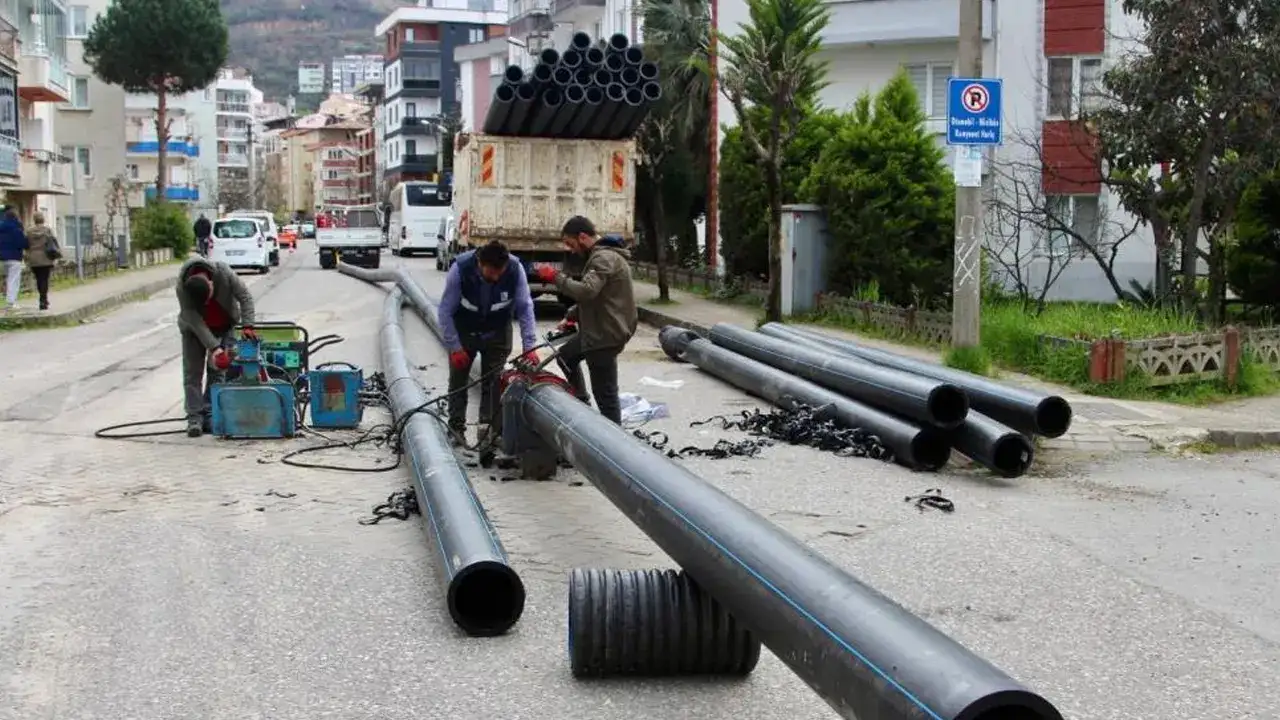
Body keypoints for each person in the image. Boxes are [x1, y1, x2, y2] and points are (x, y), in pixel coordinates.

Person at [532, 216, 637, 425]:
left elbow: (587, 291)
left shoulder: (603, 258)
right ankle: (582, 403)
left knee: (606, 396)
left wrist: (555, 277)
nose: (571, 250)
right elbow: (598, 298)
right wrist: (572, 316)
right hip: (598, 330)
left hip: (605, 335)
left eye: (571, 244)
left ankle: (614, 442)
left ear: (582, 237)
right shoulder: (601, 256)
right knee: (565, 356)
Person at [437, 240, 539, 445]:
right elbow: (445, 311)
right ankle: (456, 428)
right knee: (458, 381)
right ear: (479, 263)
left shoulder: (514, 269)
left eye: (499, 272)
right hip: (465, 330)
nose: (497, 277)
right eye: (491, 272)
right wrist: (455, 347)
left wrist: (530, 347)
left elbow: (525, 308)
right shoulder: (460, 270)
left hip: (498, 332)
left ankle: (488, 431)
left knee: (493, 382)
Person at [176, 255, 256, 437]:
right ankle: (194, 417)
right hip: (194, 330)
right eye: (201, 302)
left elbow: (245, 297)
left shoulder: (224, 272)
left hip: (224, 325)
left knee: (218, 371)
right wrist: (214, 347)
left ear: (211, 283)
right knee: (192, 372)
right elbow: (192, 317)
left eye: (208, 298)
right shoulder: (182, 286)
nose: (205, 304)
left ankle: (211, 413)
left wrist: (248, 325)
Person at [23, 212, 59, 311]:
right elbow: (54, 243)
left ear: (34, 220)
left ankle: (42, 298)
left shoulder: (29, 231)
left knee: (39, 279)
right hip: (46, 258)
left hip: (33, 258)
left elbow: (26, 245)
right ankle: (43, 299)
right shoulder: (48, 230)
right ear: (43, 220)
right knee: (44, 279)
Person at [0, 207, 28, 312]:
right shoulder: (17, 228)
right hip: (14, 257)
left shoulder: (1, 227)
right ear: (16, 217)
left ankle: (9, 300)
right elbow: (22, 243)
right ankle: (11, 302)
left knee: (7, 279)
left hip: (2, 258)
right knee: (13, 280)